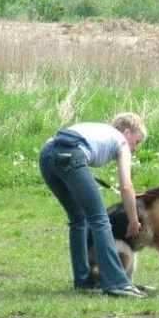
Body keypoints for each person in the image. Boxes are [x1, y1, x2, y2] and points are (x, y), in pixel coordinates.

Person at [39, 113, 147, 298]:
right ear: (127, 132)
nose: (135, 148)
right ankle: (116, 283)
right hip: (72, 156)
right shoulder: (121, 142)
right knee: (100, 219)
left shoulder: (98, 129)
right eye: (136, 142)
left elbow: (67, 148)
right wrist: (133, 220)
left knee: (78, 218)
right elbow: (126, 186)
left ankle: (83, 281)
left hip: (47, 154)